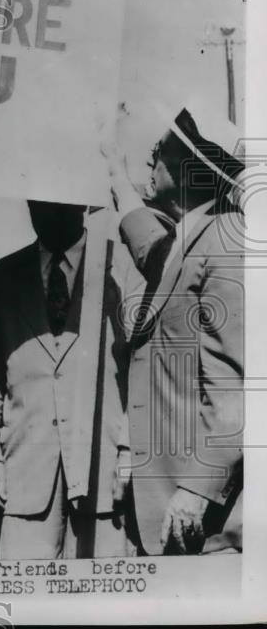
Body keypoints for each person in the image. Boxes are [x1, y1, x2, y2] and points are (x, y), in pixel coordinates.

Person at [104, 103, 244, 555]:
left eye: (158, 150)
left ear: (186, 167)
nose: (150, 157)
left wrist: (198, 488)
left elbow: (235, 387)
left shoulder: (227, 241)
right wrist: (116, 174)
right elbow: (150, 247)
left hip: (198, 514)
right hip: (167, 502)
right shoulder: (189, 239)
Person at [0, 200, 134, 559]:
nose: (48, 209)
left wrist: (129, 449)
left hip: (105, 477)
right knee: (25, 592)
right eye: (38, 199)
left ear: (82, 202)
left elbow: (141, 368)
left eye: (59, 200)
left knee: (102, 591)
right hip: (24, 480)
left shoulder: (124, 266)